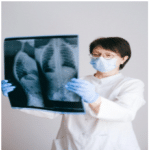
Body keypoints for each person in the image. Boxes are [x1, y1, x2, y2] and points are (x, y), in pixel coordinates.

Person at [1, 37, 146, 150]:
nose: (101, 59)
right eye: (96, 54)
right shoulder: (75, 82)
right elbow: (52, 111)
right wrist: (17, 98)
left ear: (123, 58)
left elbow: (126, 113)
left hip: (111, 146)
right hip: (71, 145)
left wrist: (94, 98)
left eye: (109, 55)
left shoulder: (131, 84)